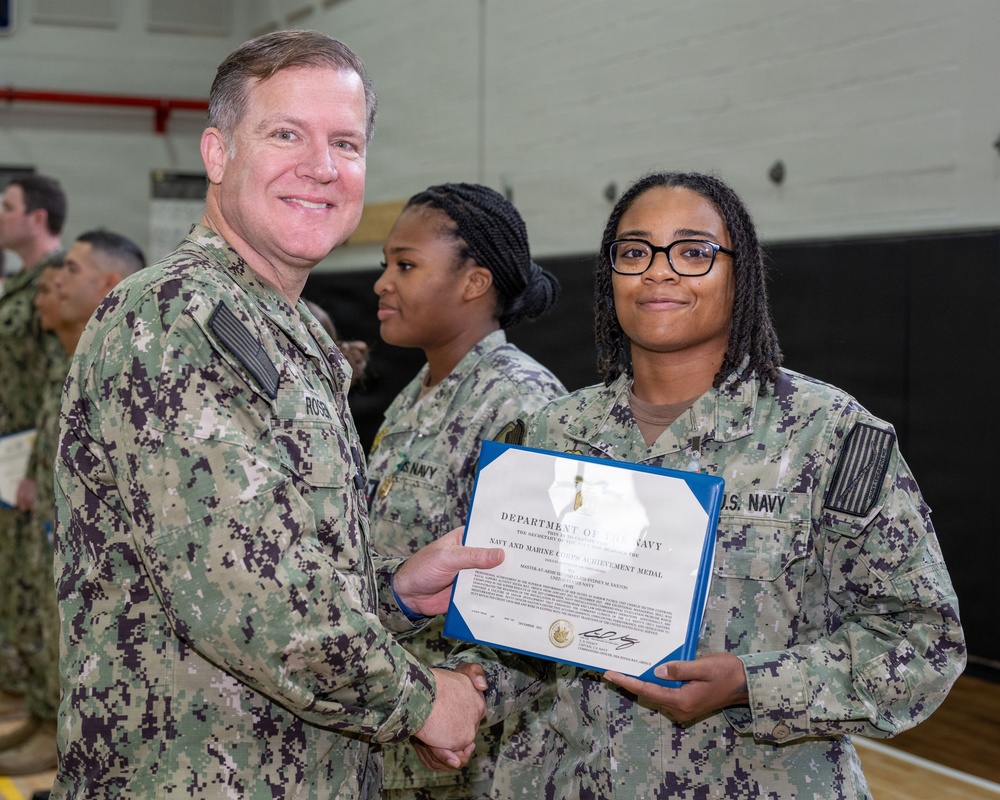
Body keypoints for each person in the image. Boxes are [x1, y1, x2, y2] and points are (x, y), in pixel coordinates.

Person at [52, 30, 502, 799]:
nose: (322, 167)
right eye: (286, 134)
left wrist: (391, 591)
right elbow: (247, 603)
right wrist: (424, 701)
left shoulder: (281, 331)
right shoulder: (174, 317)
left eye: (346, 143)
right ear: (217, 153)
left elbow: (275, 559)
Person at [436, 171, 966, 799]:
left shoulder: (828, 434)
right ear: (610, 276)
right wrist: (464, 690)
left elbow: (922, 642)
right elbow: (518, 633)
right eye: (635, 252)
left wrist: (751, 683)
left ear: (741, 275)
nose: (659, 272)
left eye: (693, 252)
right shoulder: (550, 432)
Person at [369, 183, 565, 800]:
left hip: (476, 758)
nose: (382, 283)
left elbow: (539, 597)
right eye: (385, 264)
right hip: (401, 736)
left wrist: (461, 697)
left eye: (405, 265)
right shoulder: (417, 393)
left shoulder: (522, 402)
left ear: (474, 282)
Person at [0, 232, 146, 776]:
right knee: (45, 613)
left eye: (72, 270)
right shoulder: (71, 355)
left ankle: (63, 737)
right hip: (53, 519)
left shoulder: (119, 361)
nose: (56, 279)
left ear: (109, 284)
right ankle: (45, 716)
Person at [0, 175, 66, 725]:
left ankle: (40, 708)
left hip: (28, 449)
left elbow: (54, 379)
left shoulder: (57, 281)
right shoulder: (19, 281)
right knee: (12, 572)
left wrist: (34, 462)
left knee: (32, 576)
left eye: (7, 207)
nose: (0, 216)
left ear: (36, 218)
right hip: (9, 445)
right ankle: (23, 699)